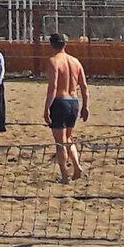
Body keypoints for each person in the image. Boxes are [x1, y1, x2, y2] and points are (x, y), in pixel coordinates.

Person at [44, 32, 89, 184]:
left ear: (51, 45)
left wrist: (46, 108)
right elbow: (84, 86)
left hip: (60, 101)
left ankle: (64, 175)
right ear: (65, 44)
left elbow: (53, 86)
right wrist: (85, 106)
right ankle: (76, 166)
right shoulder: (75, 61)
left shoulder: (54, 61)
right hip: (73, 101)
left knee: (60, 142)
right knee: (68, 138)